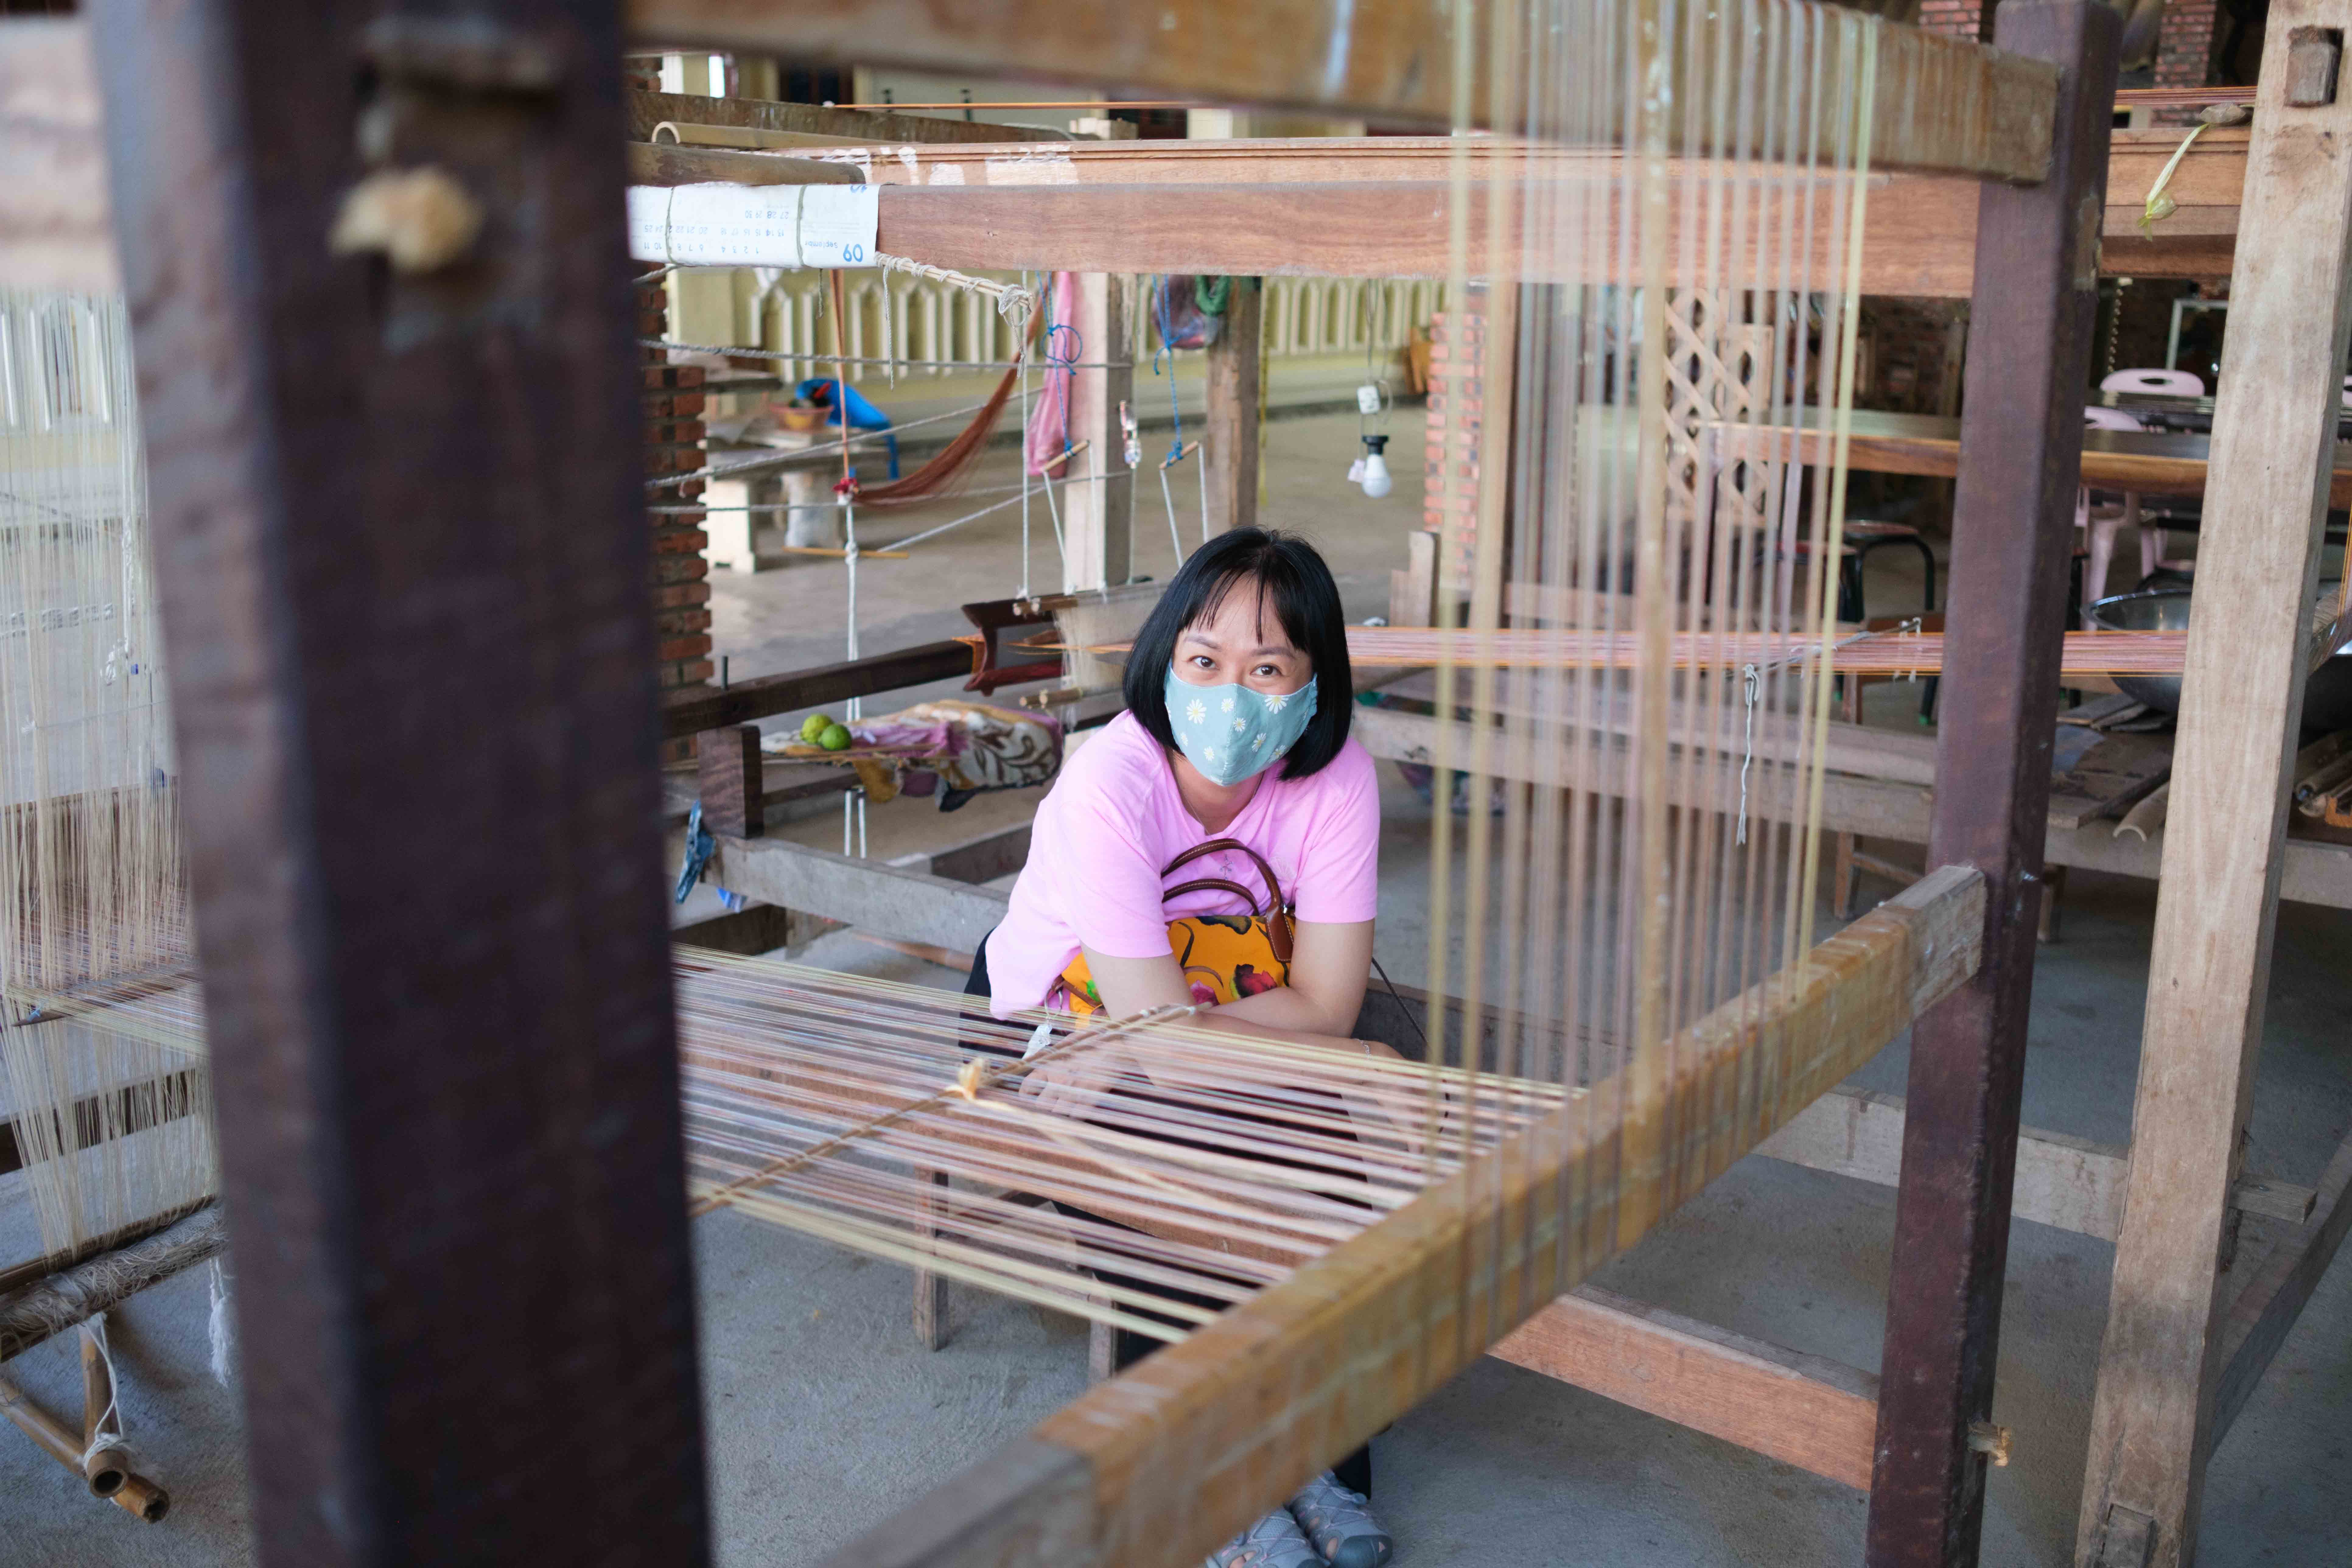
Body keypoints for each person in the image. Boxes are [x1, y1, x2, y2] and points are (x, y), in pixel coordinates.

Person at [965, 528, 1398, 1568]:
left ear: (1312, 687)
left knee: (1330, 1177)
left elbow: (1330, 1007)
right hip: (1050, 1017)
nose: (1230, 693)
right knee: (1161, 1187)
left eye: (1268, 667)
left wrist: (1139, 1039)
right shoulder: (1108, 779)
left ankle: (1313, 1457)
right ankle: (1207, 1483)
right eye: (1204, 661)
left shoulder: (1337, 782)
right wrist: (1122, 1043)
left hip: (1180, 1016)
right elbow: (1173, 1046)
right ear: (1164, 660)